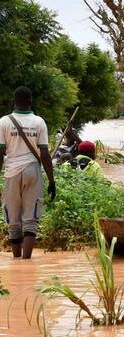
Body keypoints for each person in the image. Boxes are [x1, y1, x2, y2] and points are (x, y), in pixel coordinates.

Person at [0, 87, 56, 259]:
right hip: (33, 170)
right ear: (30, 101)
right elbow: (45, 155)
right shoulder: (39, 122)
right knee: (31, 219)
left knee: (13, 220)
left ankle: (17, 261)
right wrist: (52, 181)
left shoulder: (3, 122)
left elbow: (0, 154)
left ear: (14, 101)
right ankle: (26, 261)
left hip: (11, 173)